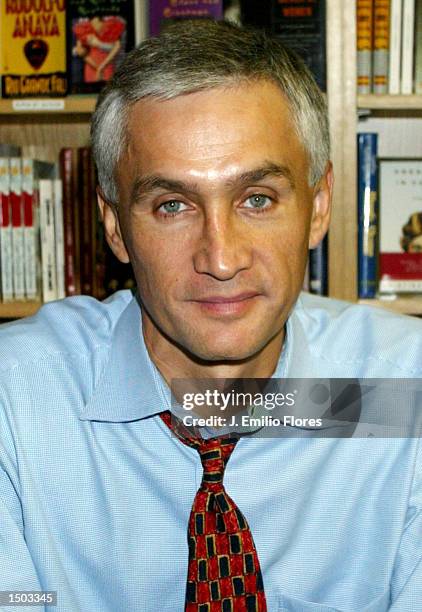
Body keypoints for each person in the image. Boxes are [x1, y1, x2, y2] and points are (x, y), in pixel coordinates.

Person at [1, 20, 422, 612]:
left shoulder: (405, 387)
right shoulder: (15, 401)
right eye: (172, 205)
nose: (221, 259)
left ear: (319, 206)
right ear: (116, 226)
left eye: (257, 199)